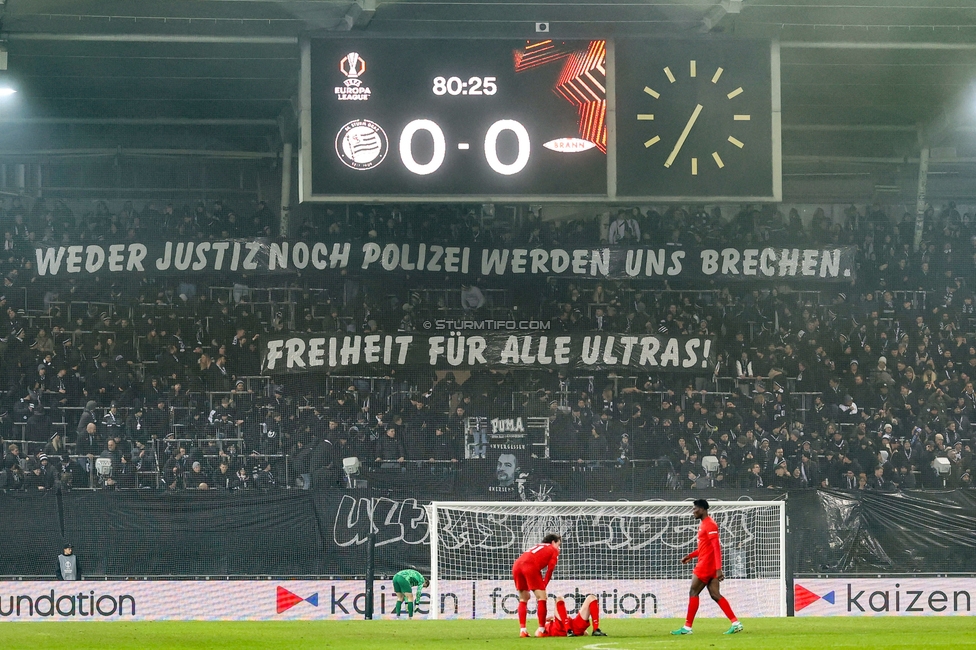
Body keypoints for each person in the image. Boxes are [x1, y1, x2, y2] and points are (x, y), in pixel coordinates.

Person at [671, 499, 743, 636]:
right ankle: (735, 623)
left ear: (703, 509)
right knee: (715, 595)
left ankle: (687, 628)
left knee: (693, 592)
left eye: (695, 509)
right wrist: (691, 556)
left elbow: (716, 547)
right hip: (709, 565)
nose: (693, 511)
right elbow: (705, 548)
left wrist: (718, 568)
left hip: (706, 565)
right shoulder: (704, 524)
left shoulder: (710, 524)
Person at [512, 533, 561, 638]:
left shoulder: (538, 546)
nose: (559, 547)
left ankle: (523, 630)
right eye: (558, 544)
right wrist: (544, 584)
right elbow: (550, 569)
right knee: (542, 597)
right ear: (553, 542)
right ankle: (541, 630)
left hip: (517, 565)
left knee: (523, 598)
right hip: (530, 566)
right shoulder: (553, 549)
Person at [542, 593, 607, 638]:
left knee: (591, 597)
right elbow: (538, 633)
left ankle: (595, 630)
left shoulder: (544, 626)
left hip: (572, 627)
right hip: (560, 628)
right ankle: (568, 631)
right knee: (559, 598)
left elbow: (585, 633)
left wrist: (544, 620)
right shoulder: (547, 627)